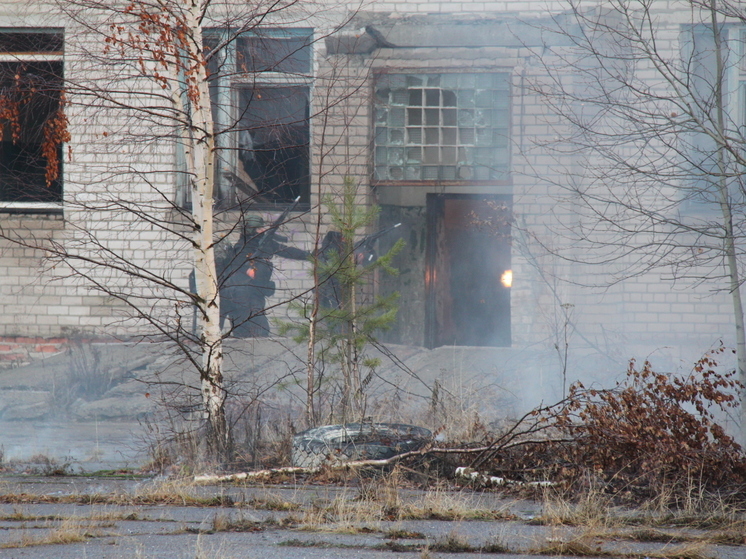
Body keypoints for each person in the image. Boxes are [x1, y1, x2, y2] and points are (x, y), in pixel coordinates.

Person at [218, 215, 309, 337]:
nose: (262, 231)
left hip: (250, 293)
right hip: (243, 295)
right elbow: (242, 271)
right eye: (259, 229)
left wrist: (309, 255)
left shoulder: (263, 243)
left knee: (249, 332)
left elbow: (287, 251)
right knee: (255, 332)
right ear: (251, 230)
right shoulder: (243, 247)